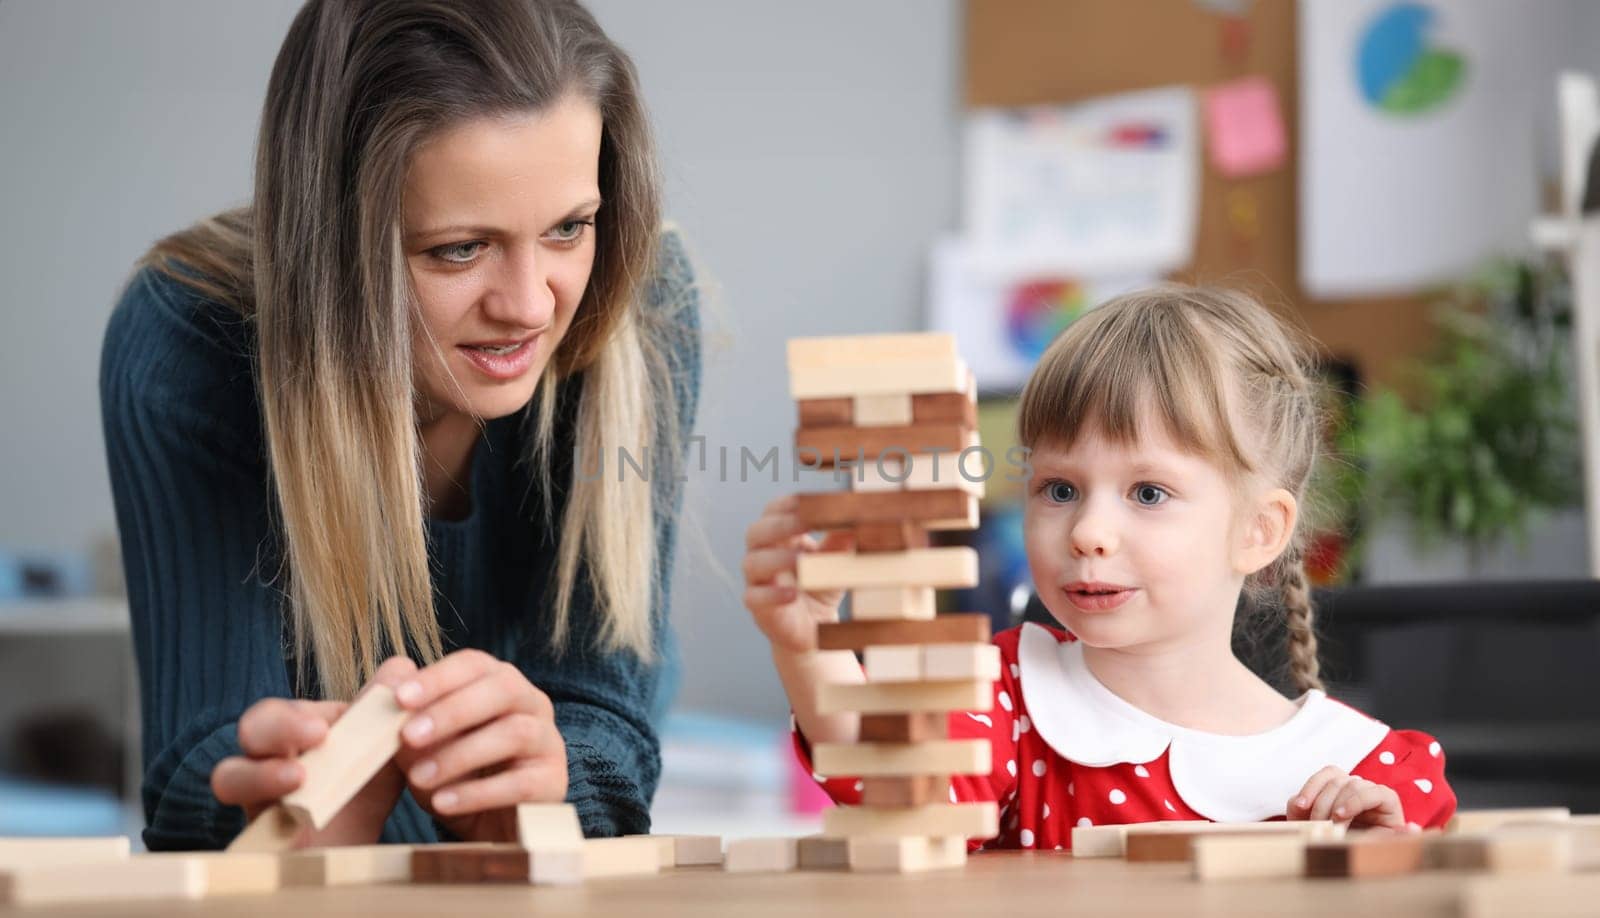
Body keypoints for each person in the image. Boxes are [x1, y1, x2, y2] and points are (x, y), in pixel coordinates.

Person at [99, 0, 699, 850]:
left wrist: (554, 782)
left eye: (570, 227)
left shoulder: (643, 306)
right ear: (334, 249)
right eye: (459, 249)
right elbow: (195, 762)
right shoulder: (189, 341)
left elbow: (610, 725)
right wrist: (257, 804)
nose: (529, 306)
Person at [742, 286, 1455, 851]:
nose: (1087, 532)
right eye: (1059, 489)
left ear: (1259, 531)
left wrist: (1379, 851)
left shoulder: (1372, 770)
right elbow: (894, 792)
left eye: (1148, 493)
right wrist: (806, 642)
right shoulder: (1009, 700)